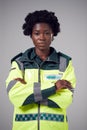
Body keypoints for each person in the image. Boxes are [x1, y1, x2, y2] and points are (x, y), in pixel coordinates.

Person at [6, 10, 76, 130]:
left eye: (47, 33)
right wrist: (54, 88)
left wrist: (28, 96)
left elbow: (66, 99)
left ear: (53, 35)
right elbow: (14, 95)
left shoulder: (64, 63)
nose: (42, 37)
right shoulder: (19, 62)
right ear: (31, 35)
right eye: (37, 33)